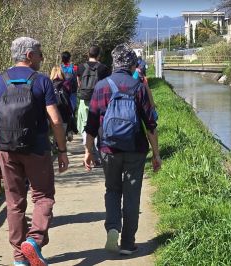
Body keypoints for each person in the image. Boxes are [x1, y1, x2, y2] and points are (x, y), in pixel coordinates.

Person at [0, 37, 69, 266]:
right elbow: (56, 121)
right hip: (37, 149)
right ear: (29, 55)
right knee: (43, 196)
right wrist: (61, 150)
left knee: (14, 202)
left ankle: (20, 258)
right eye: (39, 53)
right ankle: (34, 240)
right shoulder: (42, 82)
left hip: (6, 149)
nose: (41, 57)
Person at [83, 43, 161, 255]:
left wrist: (88, 151)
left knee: (113, 189)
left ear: (114, 63)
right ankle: (127, 243)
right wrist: (156, 154)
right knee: (132, 194)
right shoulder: (139, 87)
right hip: (135, 149)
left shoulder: (102, 86)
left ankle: (112, 228)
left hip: (109, 149)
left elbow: (90, 125)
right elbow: (151, 124)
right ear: (133, 64)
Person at [77, 45, 110, 166]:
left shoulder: (80, 67)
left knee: (86, 127)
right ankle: (97, 157)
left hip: (83, 100)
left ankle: (88, 153)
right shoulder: (104, 68)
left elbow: (79, 84)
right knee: (97, 125)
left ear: (88, 54)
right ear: (99, 55)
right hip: (99, 100)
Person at [50, 66, 77, 141]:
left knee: (55, 130)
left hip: (53, 109)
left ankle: (56, 145)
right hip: (64, 110)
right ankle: (62, 145)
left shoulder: (49, 84)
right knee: (63, 129)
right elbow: (70, 95)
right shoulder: (66, 83)